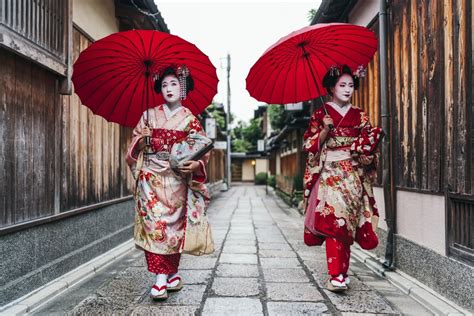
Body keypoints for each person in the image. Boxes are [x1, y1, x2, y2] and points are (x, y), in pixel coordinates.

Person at [126, 65, 210, 300]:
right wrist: (141, 142)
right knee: (156, 228)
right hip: (150, 178)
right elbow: (133, 147)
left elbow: (202, 151)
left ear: (182, 88)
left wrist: (196, 165)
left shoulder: (190, 120)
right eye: (164, 84)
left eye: (174, 84)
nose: (169, 88)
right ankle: (160, 279)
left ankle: (172, 273)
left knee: (173, 229)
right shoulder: (148, 115)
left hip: (176, 178)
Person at [303, 65, 383, 292]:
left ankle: (342, 272)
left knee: (347, 223)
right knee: (334, 222)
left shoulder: (360, 115)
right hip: (329, 174)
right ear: (331, 88)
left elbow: (369, 144)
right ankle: (336, 274)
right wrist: (325, 131)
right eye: (342, 85)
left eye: (350, 85)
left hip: (352, 174)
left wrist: (366, 154)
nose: (348, 90)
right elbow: (309, 146)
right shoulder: (320, 115)